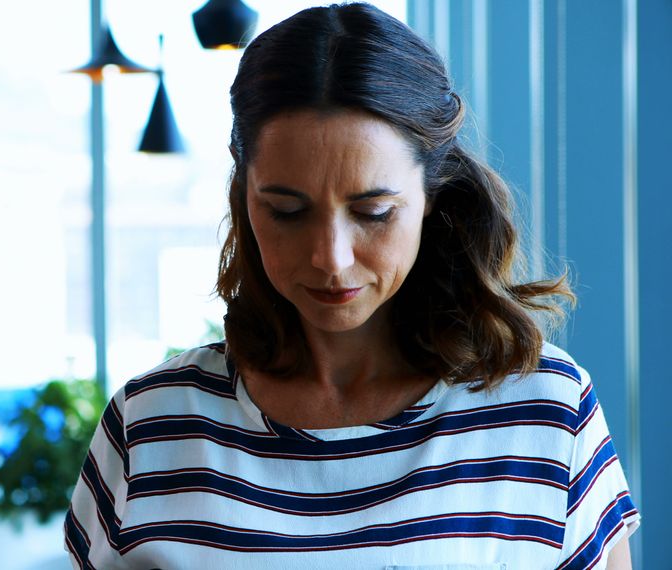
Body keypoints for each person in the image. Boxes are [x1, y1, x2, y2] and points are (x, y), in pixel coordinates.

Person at [64, 3, 640, 568]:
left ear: (432, 199)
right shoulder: (152, 425)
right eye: (288, 211)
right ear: (245, 200)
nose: (331, 259)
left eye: (373, 212)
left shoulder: (545, 415)